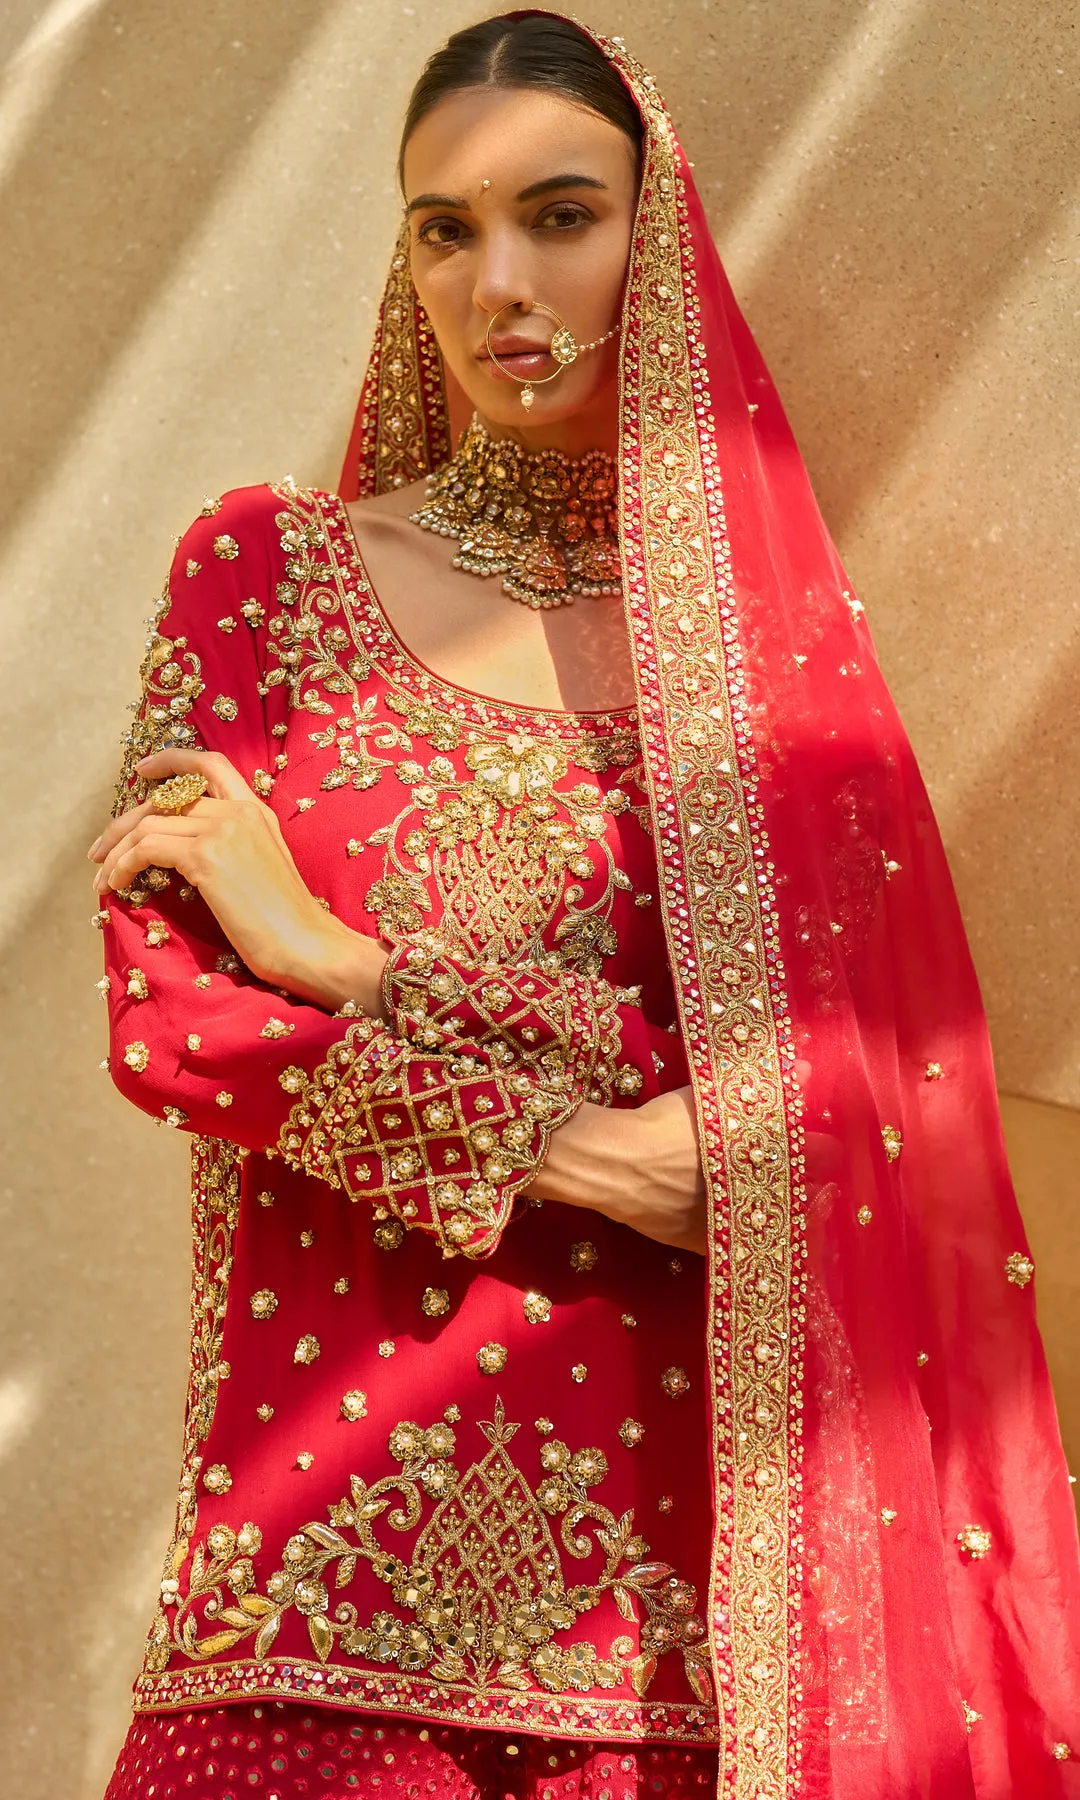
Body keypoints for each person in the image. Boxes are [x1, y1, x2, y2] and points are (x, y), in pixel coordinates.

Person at [91, 12, 1080, 1799]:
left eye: (563, 214)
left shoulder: (763, 681)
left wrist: (343, 960)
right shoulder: (266, 569)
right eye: (445, 229)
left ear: (661, 233)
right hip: (314, 1603)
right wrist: (595, 1145)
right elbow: (176, 1019)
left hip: (678, 1654)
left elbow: (817, 1125)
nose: (503, 282)